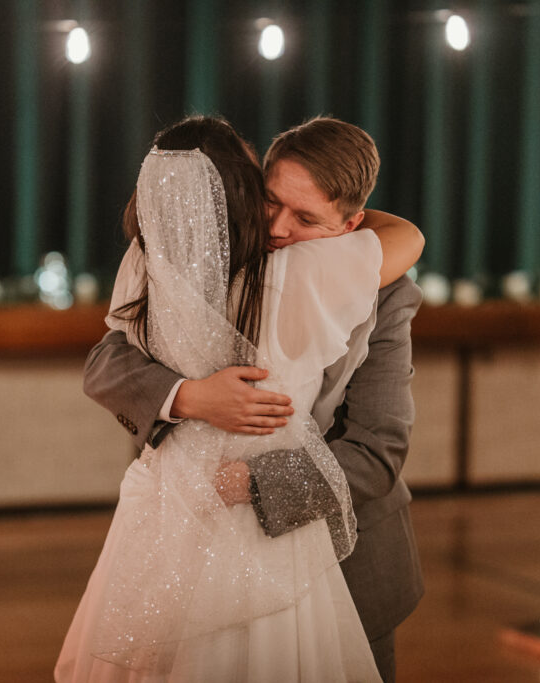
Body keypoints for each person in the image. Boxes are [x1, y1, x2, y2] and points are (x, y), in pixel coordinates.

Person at [56, 116, 424, 682]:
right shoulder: (215, 264)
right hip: (192, 545)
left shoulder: (384, 287)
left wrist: (253, 483)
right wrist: (190, 397)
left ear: (353, 225)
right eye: (269, 202)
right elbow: (108, 359)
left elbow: (378, 451)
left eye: (306, 218)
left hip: (349, 557)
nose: (277, 229)